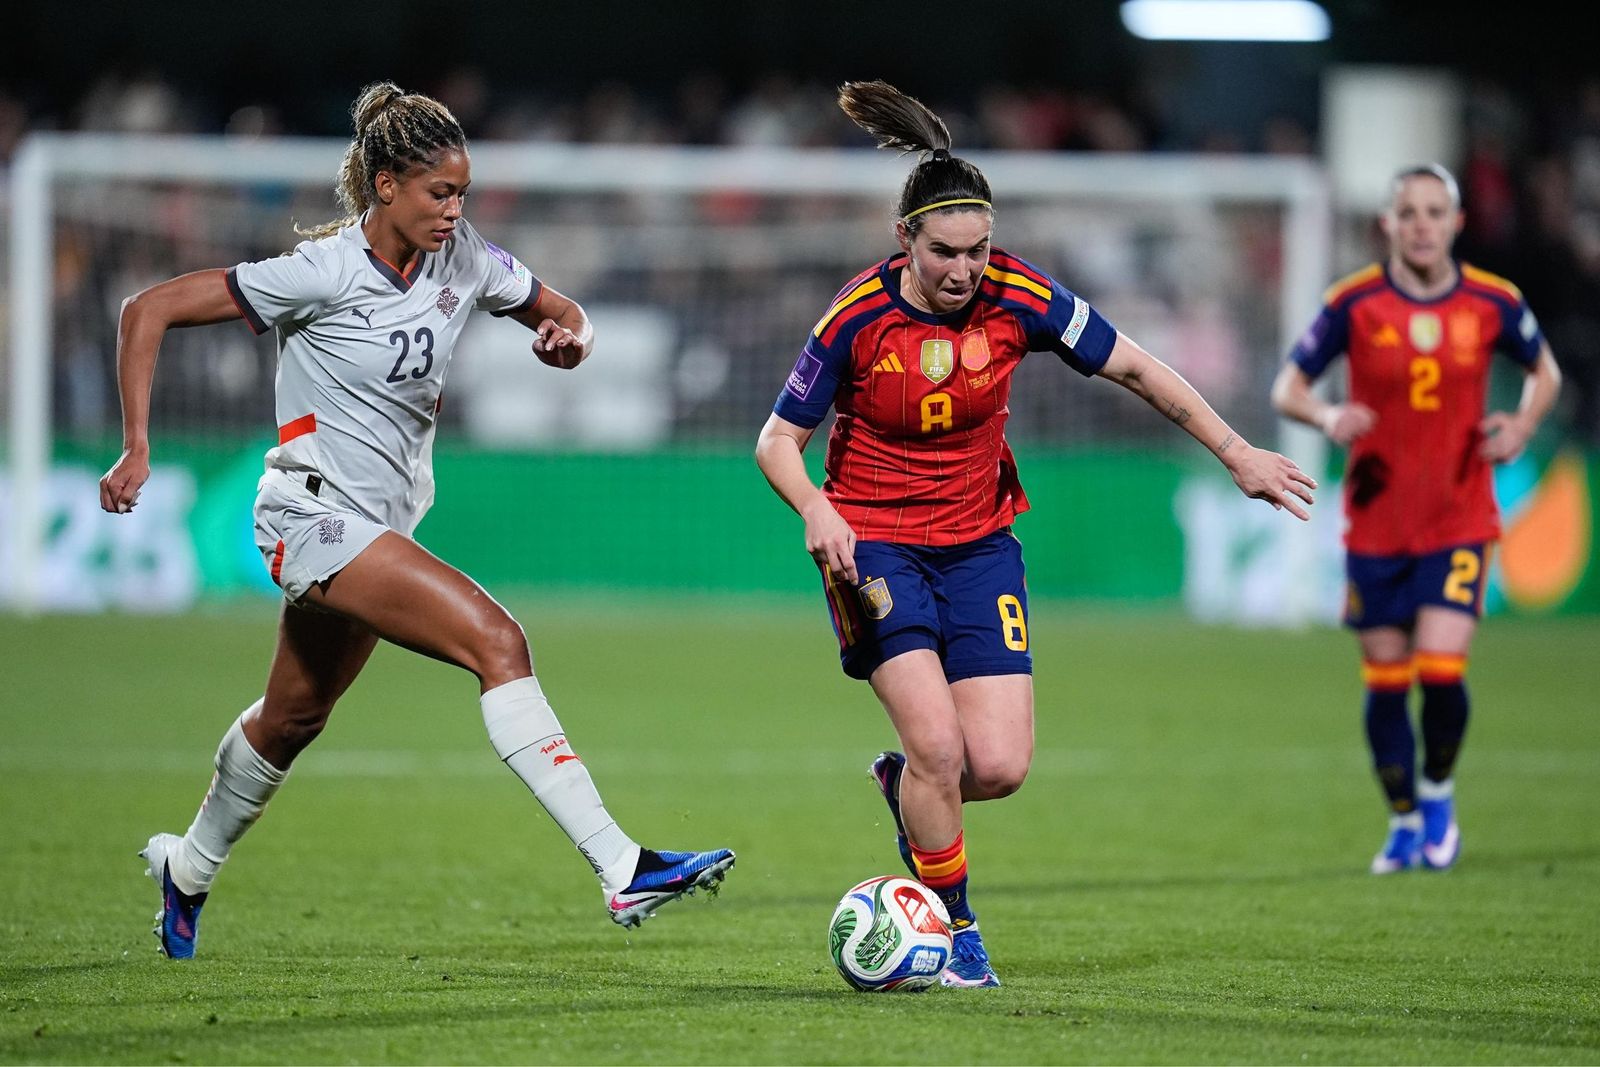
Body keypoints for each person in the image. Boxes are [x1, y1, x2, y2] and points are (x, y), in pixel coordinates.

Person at [98, 82, 735, 959]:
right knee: (498, 641)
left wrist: (569, 341)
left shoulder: (462, 258)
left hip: (379, 527)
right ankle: (620, 864)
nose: (455, 210)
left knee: (293, 716)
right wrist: (137, 446)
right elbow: (148, 309)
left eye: (463, 193)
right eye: (440, 192)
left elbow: (565, 313)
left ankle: (189, 866)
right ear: (386, 184)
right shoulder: (320, 272)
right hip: (309, 516)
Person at [754, 81, 1315, 988]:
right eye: (944, 252)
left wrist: (1236, 450)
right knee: (941, 749)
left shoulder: (1020, 294)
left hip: (980, 545)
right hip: (876, 546)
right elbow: (777, 441)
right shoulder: (855, 317)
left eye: (977, 250)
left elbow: (1135, 366)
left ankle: (905, 787)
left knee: (1000, 766)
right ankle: (958, 930)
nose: (963, 270)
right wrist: (818, 509)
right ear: (905, 241)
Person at [1272, 163, 1562, 875]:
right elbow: (1288, 387)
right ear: (1389, 225)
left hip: (1459, 517)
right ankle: (1403, 820)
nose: (1423, 225)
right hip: (1376, 524)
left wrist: (1523, 425)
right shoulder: (1354, 302)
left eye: (1436, 212)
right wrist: (1328, 415)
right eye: (1409, 213)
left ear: (1457, 223)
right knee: (1385, 679)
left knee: (1440, 667)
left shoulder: (1493, 301)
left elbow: (1546, 372)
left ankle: (1437, 793)